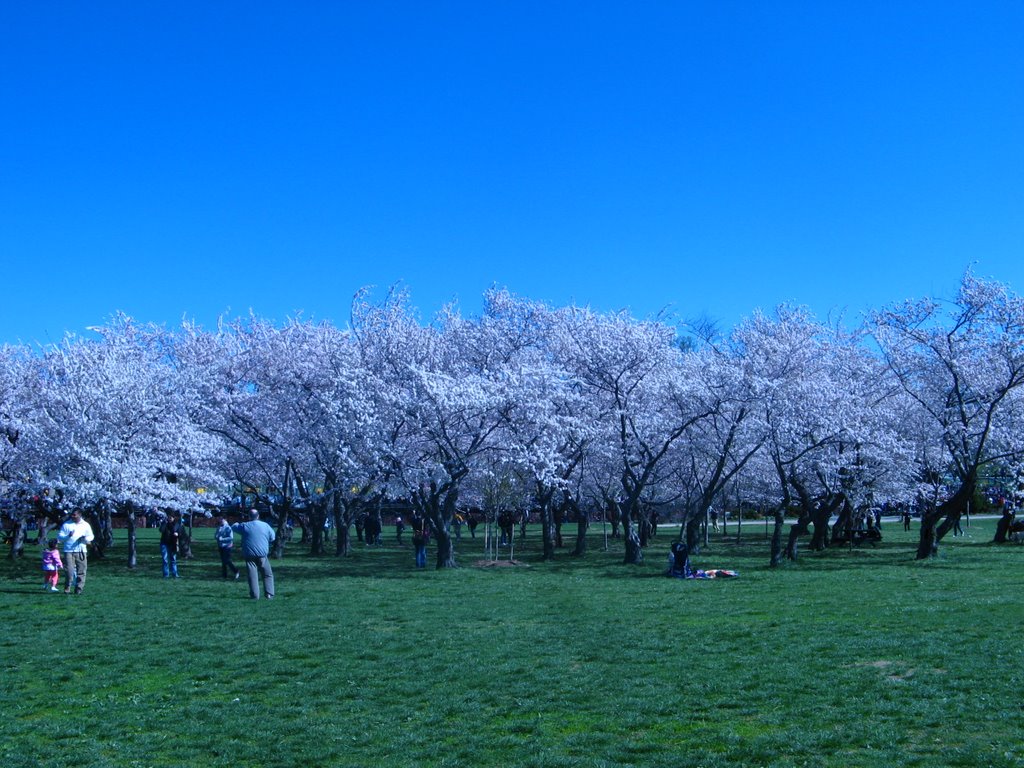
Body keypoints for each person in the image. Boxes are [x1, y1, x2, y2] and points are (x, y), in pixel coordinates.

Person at [232, 509, 276, 599]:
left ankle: (255, 595)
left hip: (249, 555)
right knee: (267, 574)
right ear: (258, 516)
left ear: (249, 516)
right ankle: (269, 593)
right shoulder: (265, 525)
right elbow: (272, 537)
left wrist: (239, 521)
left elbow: (233, 526)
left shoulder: (245, 526)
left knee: (252, 575)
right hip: (263, 554)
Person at [56, 509, 94, 595]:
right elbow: (60, 537)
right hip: (68, 550)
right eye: (72, 515)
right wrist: (68, 535)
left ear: (80, 515)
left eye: (74, 515)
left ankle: (79, 590)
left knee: (82, 571)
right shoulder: (67, 525)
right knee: (69, 571)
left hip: (81, 551)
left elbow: (91, 536)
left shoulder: (85, 525)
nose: (72, 516)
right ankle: (67, 587)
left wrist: (85, 539)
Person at [160, 513, 182, 578]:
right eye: (168, 518)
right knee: (165, 559)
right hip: (164, 543)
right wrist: (164, 523)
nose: (169, 519)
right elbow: (161, 530)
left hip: (173, 544)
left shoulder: (177, 525)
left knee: (173, 559)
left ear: (173, 518)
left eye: (170, 518)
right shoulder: (165, 524)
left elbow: (180, 533)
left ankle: (175, 574)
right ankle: (166, 574)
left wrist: (177, 534)